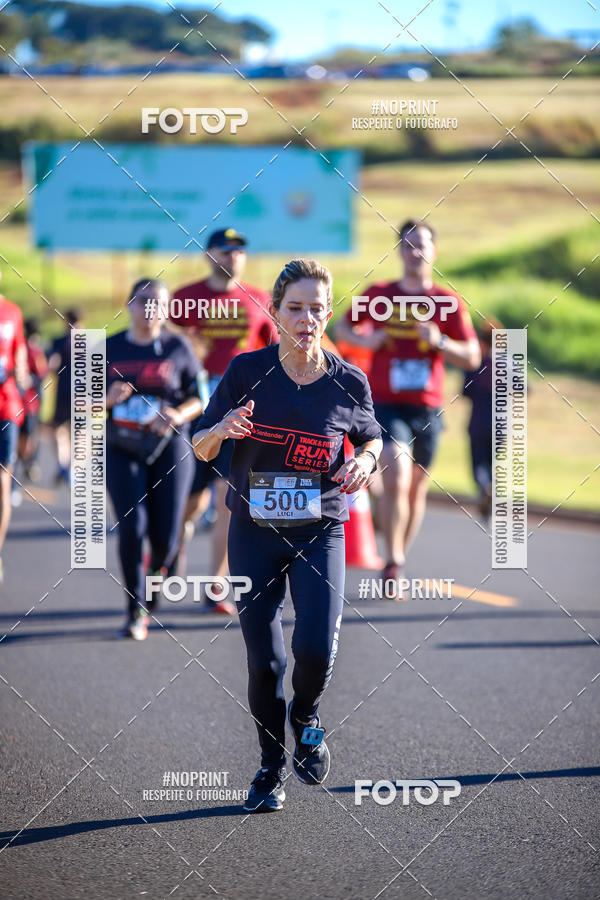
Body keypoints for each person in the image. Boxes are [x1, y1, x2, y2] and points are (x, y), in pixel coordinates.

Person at [192, 259, 382, 812]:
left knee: (316, 648)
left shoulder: (348, 381)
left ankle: (306, 716)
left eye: (316, 309)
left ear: (328, 313)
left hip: (320, 528)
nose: (305, 319)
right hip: (254, 531)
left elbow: (372, 439)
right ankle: (271, 766)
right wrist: (221, 430)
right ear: (274, 312)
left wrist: (365, 464)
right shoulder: (246, 371)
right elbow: (200, 444)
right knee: (265, 662)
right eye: (294, 308)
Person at [335, 220, 480, 593]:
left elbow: (472, 356)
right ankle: (393, 562)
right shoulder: (380, 295)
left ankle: (398, 553)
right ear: (399, 251)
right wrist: (370, 341)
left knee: (416, 490)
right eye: (408, 245)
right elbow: (343, 330)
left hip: (428, 407)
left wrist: (441, 343)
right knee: (397, 474)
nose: (415, 252)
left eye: (422, 245)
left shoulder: (446, 302)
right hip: (385, 402)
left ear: (434, 251)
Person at [169, 227, 278, 614]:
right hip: (195, 417)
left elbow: (276, 353)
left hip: (240, 419)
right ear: (209, 255)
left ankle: (216, 584)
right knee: (190, 503)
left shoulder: (260, 300)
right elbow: (162, 349)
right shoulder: (183, 299)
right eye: (226, 250)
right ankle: (174, 545)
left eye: (240, 250)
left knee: (226, 501)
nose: (234, 256)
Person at [106, 279, 203, 640]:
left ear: (167, 309)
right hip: (123, 448)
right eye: (143, 301)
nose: (149, 309)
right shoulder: (109, 346)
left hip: (170, 448)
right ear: (129, 303)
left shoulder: (179, 347)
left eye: (157, 303)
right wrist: (108, 401)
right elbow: (80, 402)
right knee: (133, 528)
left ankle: (163, 567)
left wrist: (178, 414)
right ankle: (135, 609)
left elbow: (200, 398)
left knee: (163, 536)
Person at [0, 274, 29, 583]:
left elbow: (18, 350)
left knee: (2, 483)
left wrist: (20, 369)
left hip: (6, 407)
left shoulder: (12, 312)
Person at [463, 316, 503, 523]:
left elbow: (465, 391)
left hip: (478, 421)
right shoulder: (507, 363)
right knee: (493, 462)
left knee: (478, 464)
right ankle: (490, 496)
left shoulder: (476, 364)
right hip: (501, 424)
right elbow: (524, 387)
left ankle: (484, 489)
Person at [48, 308, 84, 485]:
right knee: (64, 430)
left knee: (73, 431)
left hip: (76, 392)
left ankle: (69, 467)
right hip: (68, 391)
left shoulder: (83, 341)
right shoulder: (62, 341)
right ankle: (65, 466)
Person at [16, 318, 48, 487]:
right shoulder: (32, 349)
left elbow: (41, 373)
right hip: (27, 400)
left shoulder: (27, 348)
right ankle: (27, 462)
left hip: (28, 399)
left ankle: (28, 462)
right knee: (28, 433)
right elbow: (42, 372)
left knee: (27, 433)